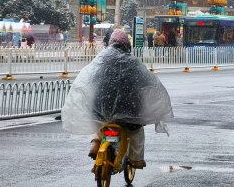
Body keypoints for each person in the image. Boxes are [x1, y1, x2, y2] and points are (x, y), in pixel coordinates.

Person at [61, 29, 173, 169]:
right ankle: (136, 159)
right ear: (126, 45)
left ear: (110, 43)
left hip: (102, 105)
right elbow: (146, 81)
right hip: (128, 107)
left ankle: (96, 142)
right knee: (136, 130)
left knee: (98, 123)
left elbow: (89, 78)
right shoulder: (132, 61)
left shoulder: (101, 58)